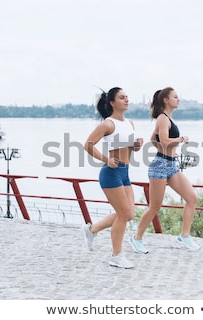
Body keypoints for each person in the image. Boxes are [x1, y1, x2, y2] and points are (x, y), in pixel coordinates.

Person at [129, 87, 200, 253]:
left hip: (172, 165)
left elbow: (154, 138)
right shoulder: (162, 118)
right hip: (160, 166)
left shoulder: (168, 118)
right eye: (175, 97)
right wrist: (181, 139)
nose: (178, 99)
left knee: (191, 198)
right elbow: (166, 141)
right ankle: (136, 238)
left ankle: (185, 236)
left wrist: (164, 148)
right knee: (155, 207)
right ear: (166, 100)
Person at [82, 87, 143, 269]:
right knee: (123, 215)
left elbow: (129, 148)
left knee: (129, 214)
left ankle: (91, 230)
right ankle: (116, 256)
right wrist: (106, 159)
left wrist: (136, 145)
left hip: (125, 172)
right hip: (110, 174)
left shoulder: (129, 123)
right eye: (122, 98)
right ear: (112, 103)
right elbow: (88, 145)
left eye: (127, 97)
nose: (126, 100)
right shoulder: (108, 124)